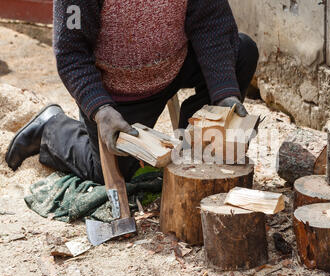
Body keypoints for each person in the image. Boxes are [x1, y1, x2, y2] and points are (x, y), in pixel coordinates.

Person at [6, 0, 259, 184]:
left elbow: (212, 23)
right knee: (107, 172)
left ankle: (192, 157)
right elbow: (71, 54)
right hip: (117, 92)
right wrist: (100, 109)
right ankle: (51, 128)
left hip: (175, 64)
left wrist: (225, 93)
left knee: (243, 51)